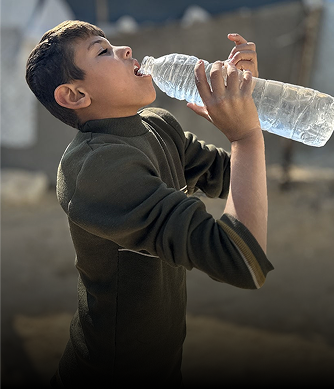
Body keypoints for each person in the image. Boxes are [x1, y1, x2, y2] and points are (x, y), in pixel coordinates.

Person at [25, 20, 273, 387]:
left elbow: (232, 175)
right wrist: (246, 136)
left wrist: (246, 102)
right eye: (103, 51)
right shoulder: (94, 167)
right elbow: (240, 261)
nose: (125, 50)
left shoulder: (157, 125)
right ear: (75, 95)